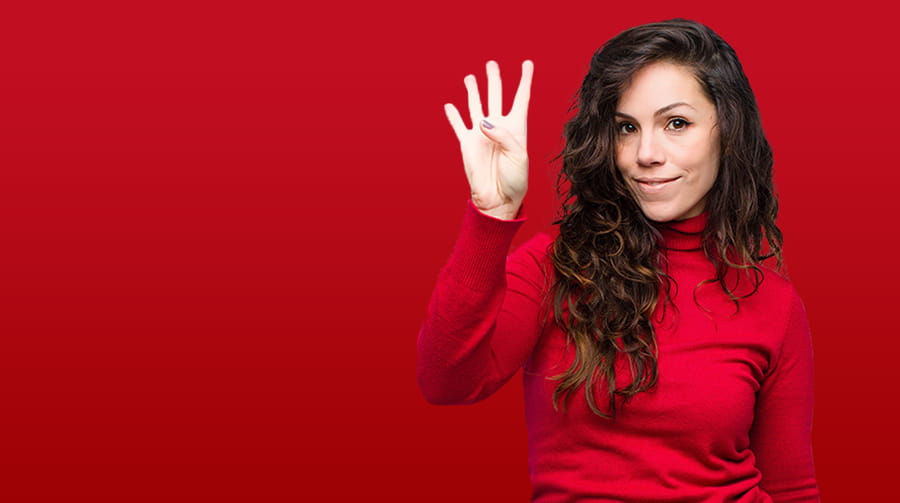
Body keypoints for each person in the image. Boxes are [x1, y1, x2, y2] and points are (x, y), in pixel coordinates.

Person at [416, 18, 820, 503]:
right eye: (627, 128)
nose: (646, 154)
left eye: (676, 124)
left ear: (727, 132)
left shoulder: (774, 304)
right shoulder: (555, 266)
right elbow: (447, 381)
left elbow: (792, 487)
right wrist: (492, 215)